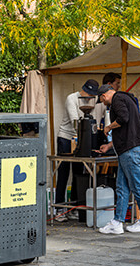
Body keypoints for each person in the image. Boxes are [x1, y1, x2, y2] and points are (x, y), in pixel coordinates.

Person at [98, 84, 140, 234]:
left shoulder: (117, 99)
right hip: (126, 150)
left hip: (130, 150)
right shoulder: (125, 98)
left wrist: (108, 127)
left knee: (136, 185)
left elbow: (123, 118)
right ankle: (117, 222)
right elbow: (126, 128)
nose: (103, 103)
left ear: (104, 96)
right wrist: (109, 145)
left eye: (102, 100)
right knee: (122, 187)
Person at [55, 79, 99, 222]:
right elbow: (75, 121)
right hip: (66, 138)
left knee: (78, 173)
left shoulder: (93, 100)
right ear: (84, 89)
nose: (90, 97)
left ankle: (74, 207)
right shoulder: (72, 98)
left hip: (81, 138)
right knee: (63, 172)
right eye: (89, 94)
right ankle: (59, 208)